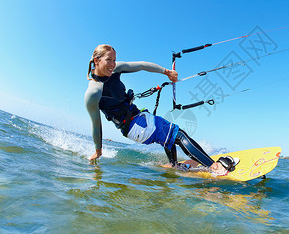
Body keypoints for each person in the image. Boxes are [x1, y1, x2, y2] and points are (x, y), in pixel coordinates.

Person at [84, 44, 237, 175]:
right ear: (96, 61)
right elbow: (95, 124)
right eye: (108, 60)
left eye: (114, 59)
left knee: (168, 136)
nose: (113, 64)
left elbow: (142, 65)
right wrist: (98, 151)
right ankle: (214, 167)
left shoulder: (115, 70)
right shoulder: (93, 92)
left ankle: (173, 165)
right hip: (134, 126)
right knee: (178, 135)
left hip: (138, 119)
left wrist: (167, 72)